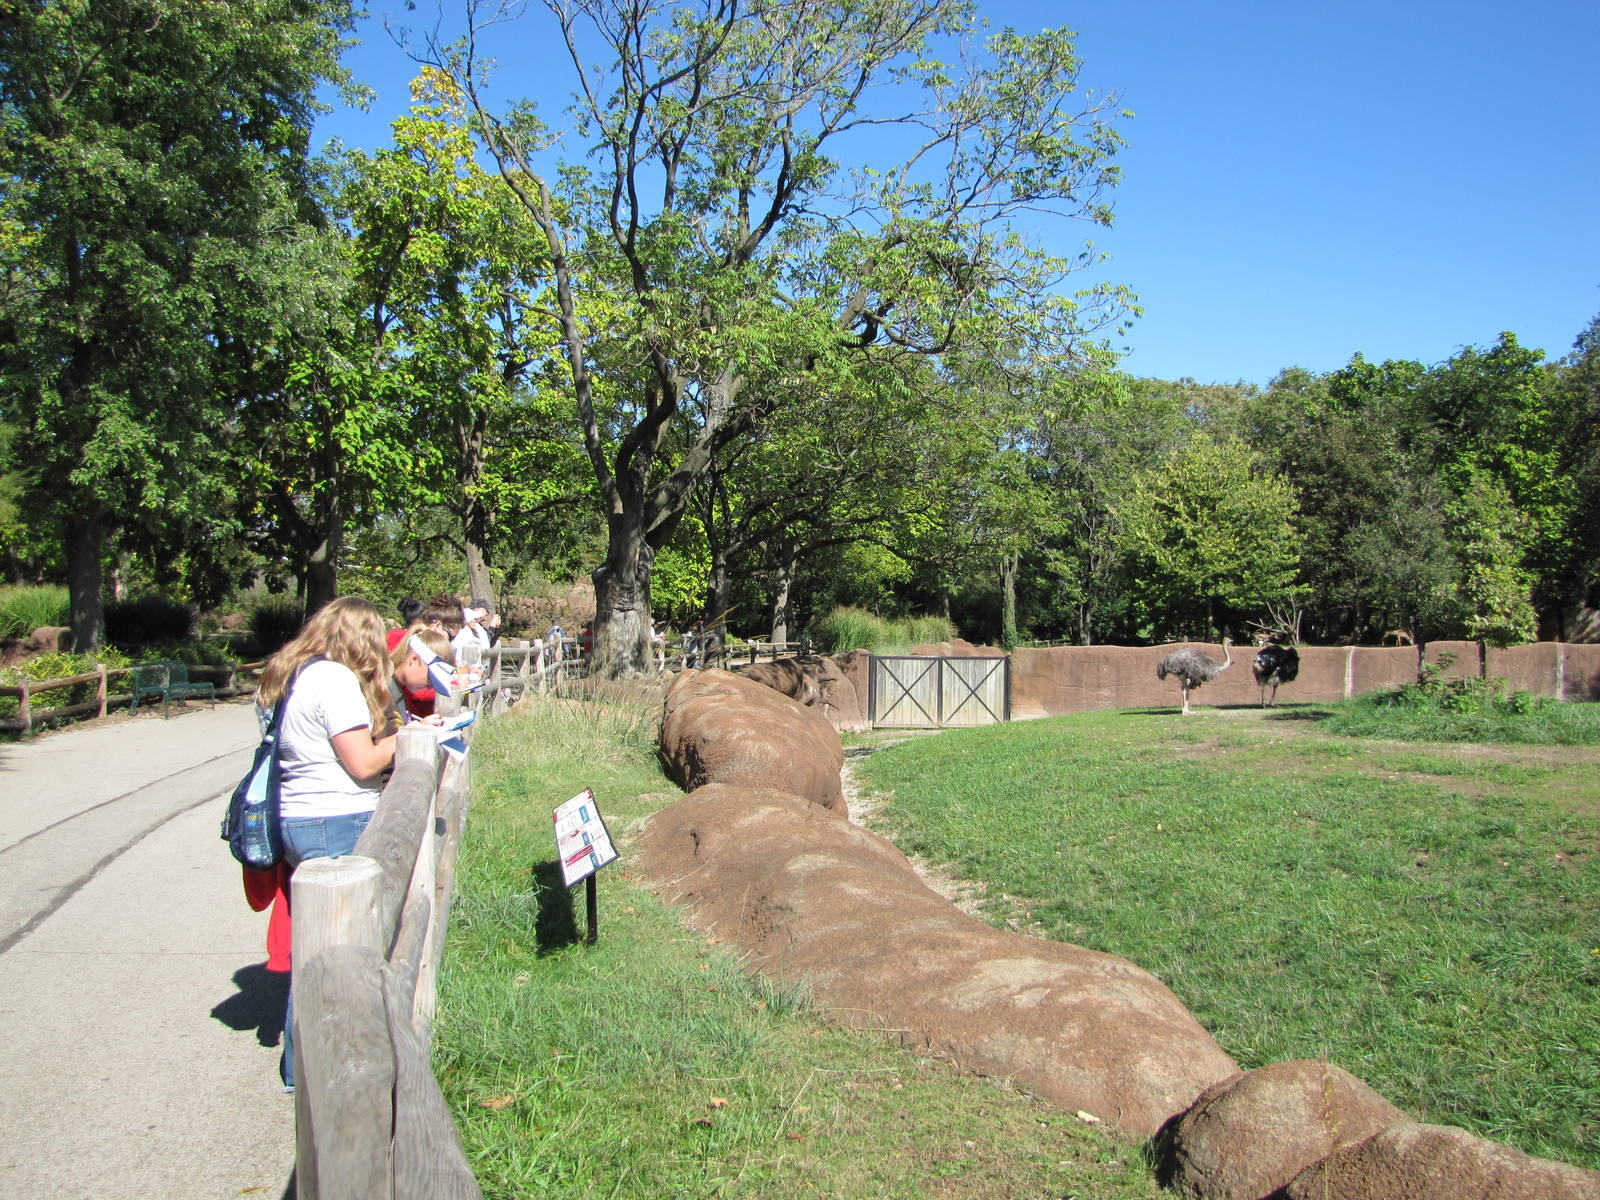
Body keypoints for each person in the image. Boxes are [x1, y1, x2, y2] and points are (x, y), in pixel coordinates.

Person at [256, 595, 439, 1093]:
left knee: (319, 942)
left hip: (301, 816)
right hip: (332, 818)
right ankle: (322, 1071)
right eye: (376, 636)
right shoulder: (334, 680)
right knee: (339, 949)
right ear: (359, 637)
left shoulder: (300, 673)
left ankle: (308, 1066)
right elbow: (361, 763)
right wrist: (411, 740)